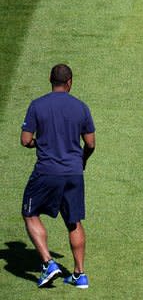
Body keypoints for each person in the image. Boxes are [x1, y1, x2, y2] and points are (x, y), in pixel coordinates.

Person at [20, 64, 95, 288]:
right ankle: (80, 274)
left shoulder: (37, 105)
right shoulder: (81, 107)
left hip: (46, 172)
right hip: (73, 173)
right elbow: (90, 143)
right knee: (74, 221)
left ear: (50, 80)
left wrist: (39, 143)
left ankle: (48, 263)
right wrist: (82, 160)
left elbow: (25, 140)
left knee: (30, 213)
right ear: (70, 81)